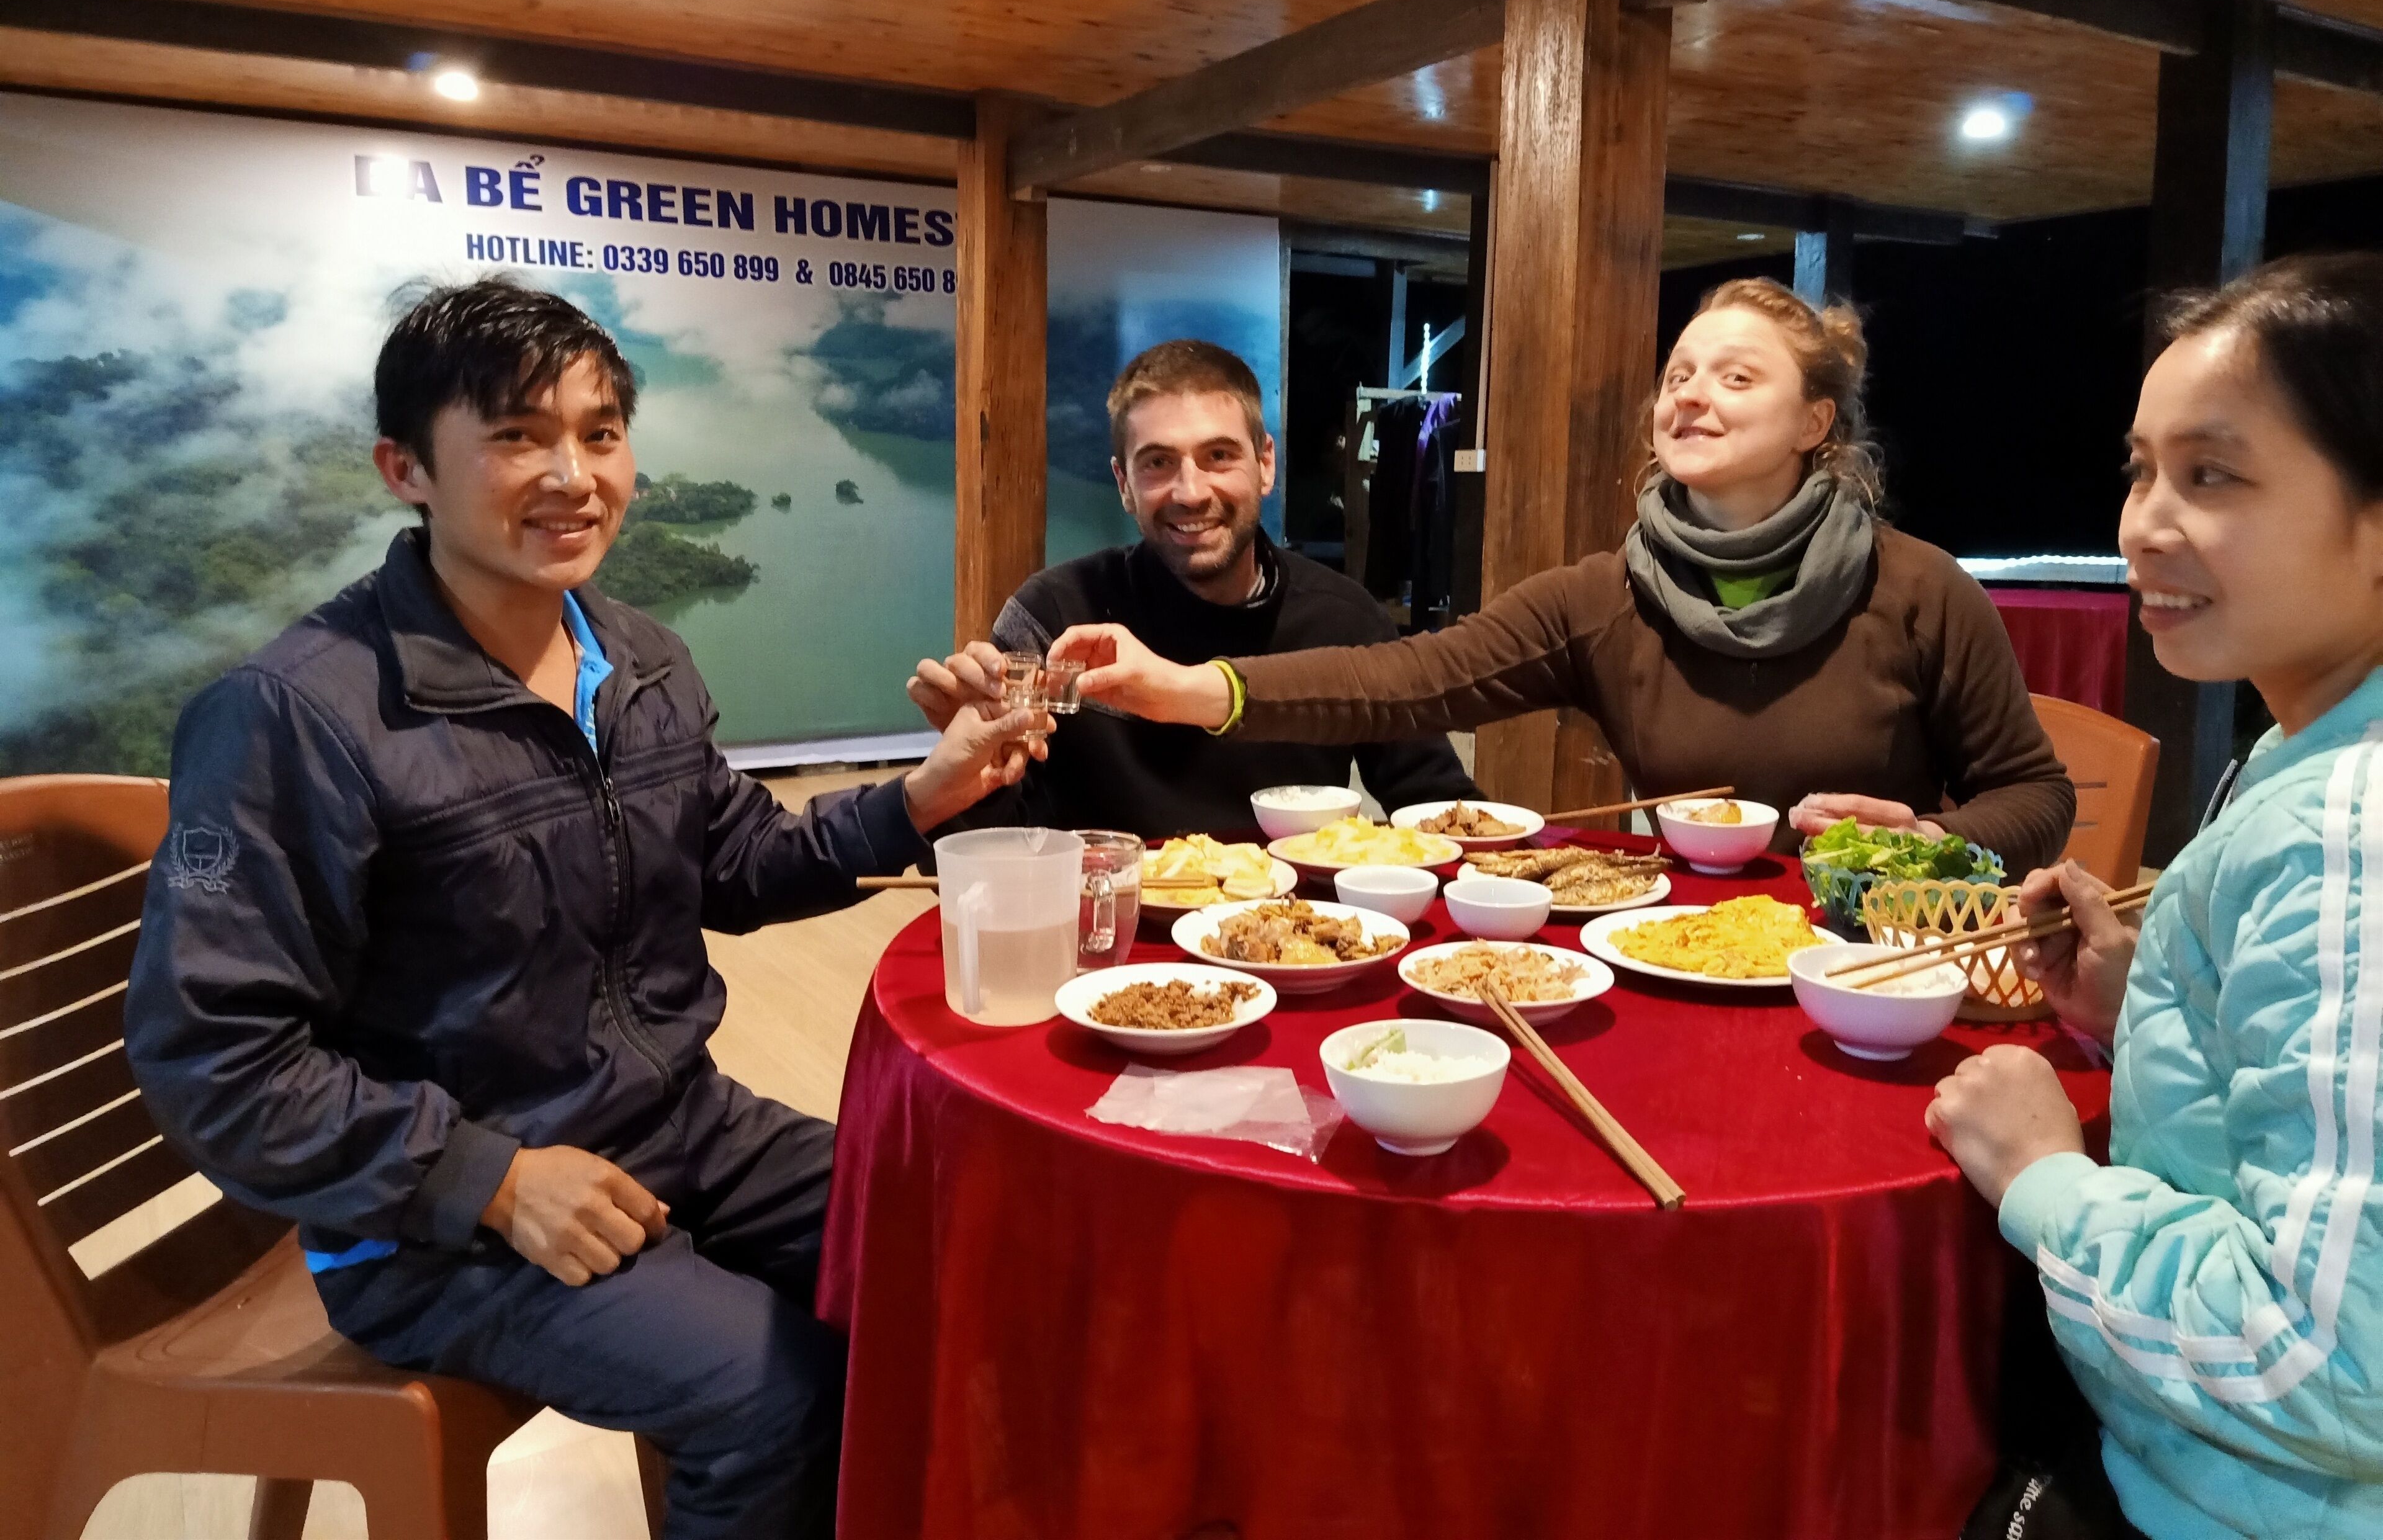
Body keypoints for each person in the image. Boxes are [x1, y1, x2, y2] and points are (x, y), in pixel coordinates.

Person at [124, 279, 1048, 1540]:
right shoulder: (297, 715)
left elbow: (743, 867)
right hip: (428, 1224)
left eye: (601, 433)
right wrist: (487, 1179)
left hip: (680, 1126)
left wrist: (924, 797)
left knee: (985, 1245)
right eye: (517, 435)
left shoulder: (642, 659)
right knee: (776, 1394)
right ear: (407, 468)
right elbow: (213, 1056)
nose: (573, 474)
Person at [1033, 280, 2074, 871]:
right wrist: (1185, 689)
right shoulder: (1605, 596)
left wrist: (1931, 839)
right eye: (1679, 376)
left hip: (1869, 971)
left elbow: (2036, 796)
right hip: (1671, 954)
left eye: (1737, 377)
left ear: (1814, 425)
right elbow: (1411, 680)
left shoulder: (1920, 588)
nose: (1692, 396)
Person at [1928, 253, 2383, 1540]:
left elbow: (2333, 1363)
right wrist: (2147, 1012)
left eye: (2214, 475)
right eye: (2142, 468)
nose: (2142, 525)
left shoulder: (2353, 834)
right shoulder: (2312, 748)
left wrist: (2043, 1179)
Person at [907, 338, 1476, 835]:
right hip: (1110, 943)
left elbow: (1443, 813)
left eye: (1219, 456)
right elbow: (984, 863)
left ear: (1266, 464)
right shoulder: (1054, 614)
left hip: (1297, 941)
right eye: (1157, 463)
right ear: (1123, 485)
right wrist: (968, 776)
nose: (1191, 491)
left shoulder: (1344, 619)